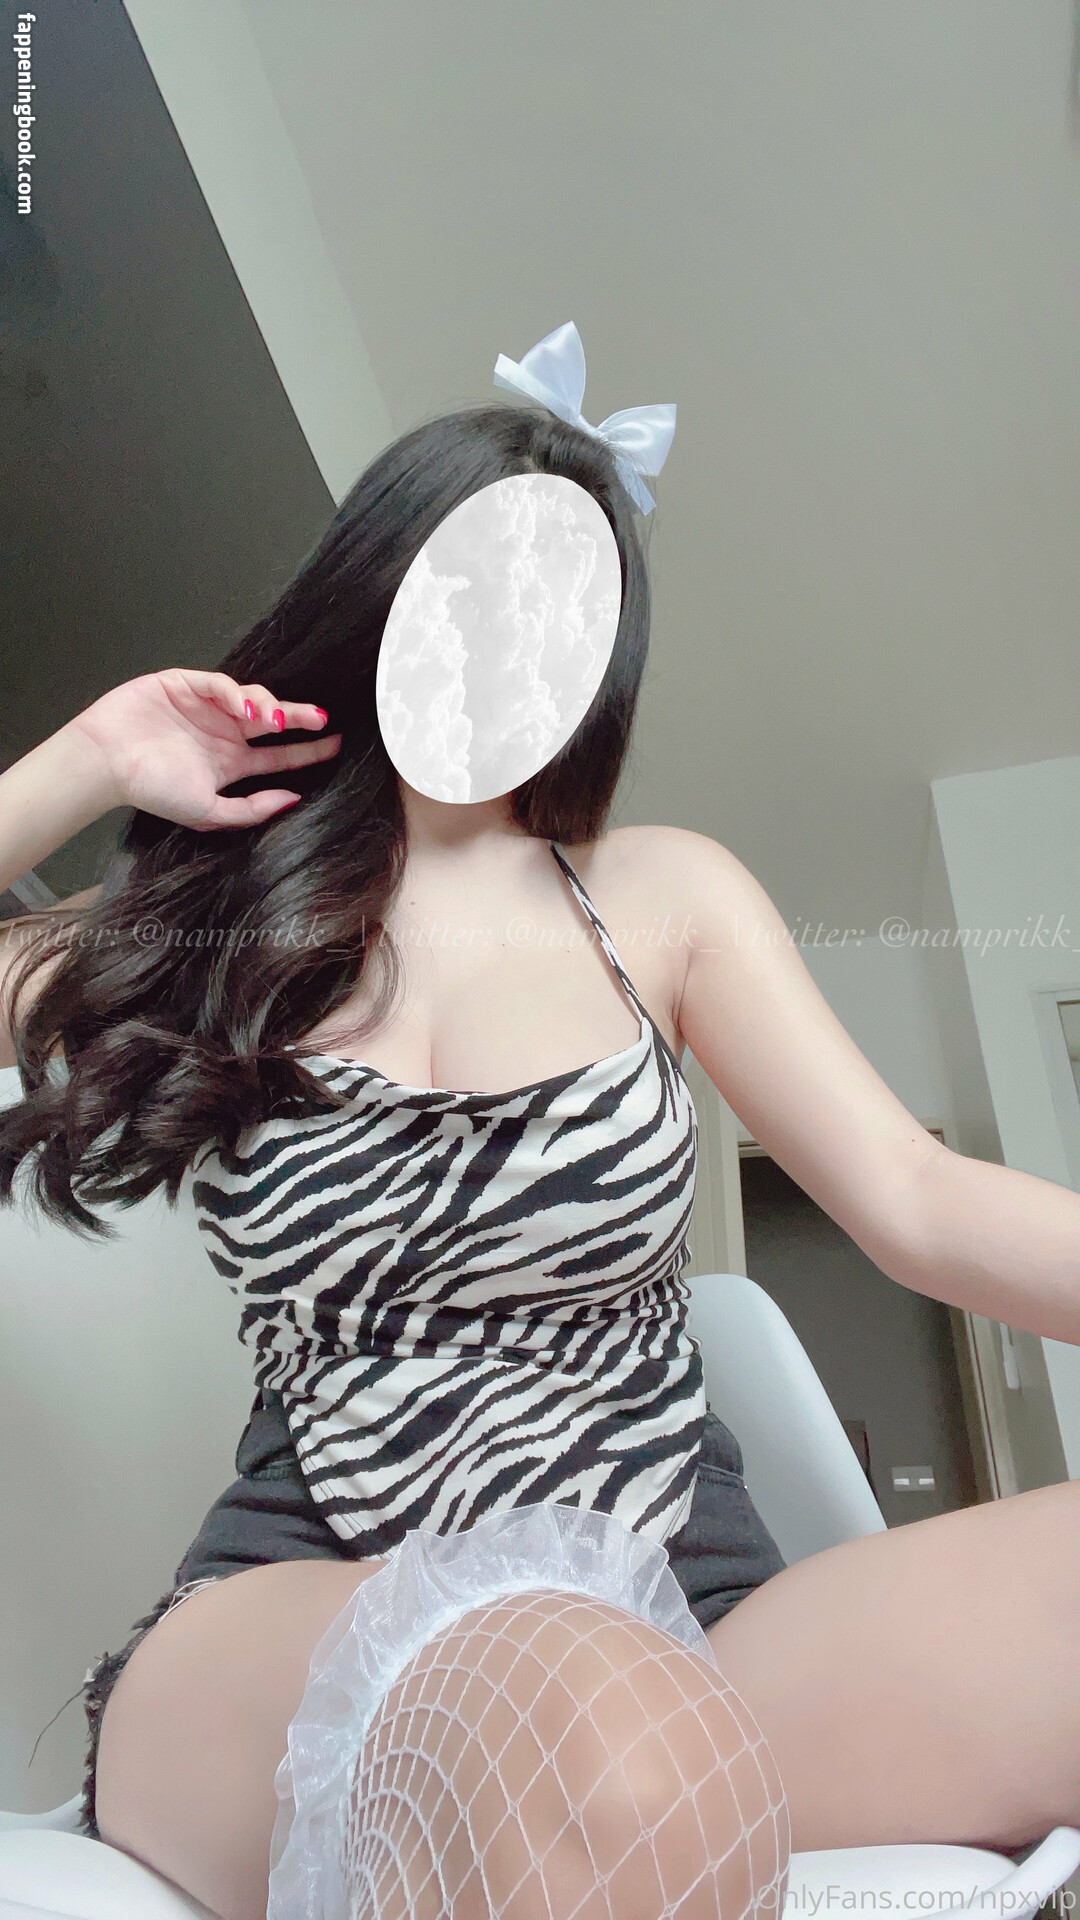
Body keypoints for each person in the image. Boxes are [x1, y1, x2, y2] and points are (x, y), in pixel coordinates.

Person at [1, 396, 1078, 1920]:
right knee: (577, 1727)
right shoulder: (213, 928)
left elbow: (917, 1198)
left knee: (620, 1725)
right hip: (304, 1616)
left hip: (678, 1609)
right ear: (377, 593)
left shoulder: (665, 895)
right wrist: (94, 757)